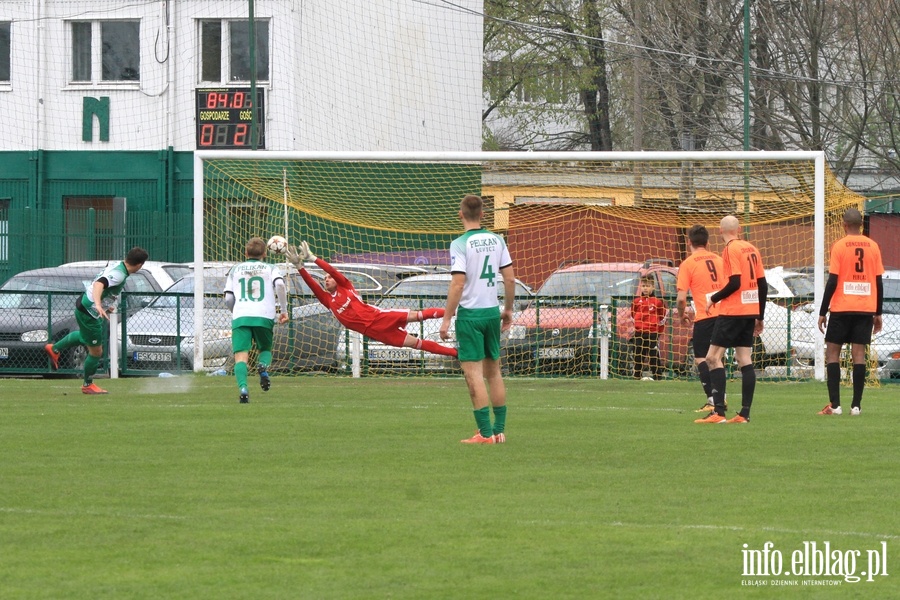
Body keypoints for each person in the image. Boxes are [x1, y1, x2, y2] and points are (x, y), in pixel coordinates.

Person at [284, 242, 457, 359]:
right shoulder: (328, 301)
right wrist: (300, 267)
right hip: (377, 333)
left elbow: (333, 270)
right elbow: (312, 285)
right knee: (416, 344)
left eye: (329, 278)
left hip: (380, 317)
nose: (326, 279)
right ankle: (457, 353)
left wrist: (313, 259)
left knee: (418, 315)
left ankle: (456, 311)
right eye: (324, 279)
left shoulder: (346, 286)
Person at [440, 194, 515, 445]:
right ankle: (499, 430)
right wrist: (508, 309)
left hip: (470, 316)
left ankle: (484, 434)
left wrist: (446, 319)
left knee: (473, 374)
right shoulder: (498, 240)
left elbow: (458, 283)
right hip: (492, 313)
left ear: (460, 214)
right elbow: (510, 279)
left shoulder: (460, 243)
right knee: (493, 372)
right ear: (483, 214)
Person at [44, 246, 149, 394]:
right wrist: (99, 305)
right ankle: (87, 385)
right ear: (139, 265)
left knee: (83, 337)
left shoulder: (118, 266)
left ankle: (54, 348)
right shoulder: (119, 274)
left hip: (84, 305)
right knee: (96, 351)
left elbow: (104, 286)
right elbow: (100, 283)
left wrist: (106, 304)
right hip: (90, 312)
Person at [695, 215, 767, 424]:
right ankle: (744, 413)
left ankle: (718, 412)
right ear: (740, 229)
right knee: (744, 359)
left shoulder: (730, 249)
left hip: (733, 311)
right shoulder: (752, 248)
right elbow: (763, 286)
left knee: (712, 358)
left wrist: (713, 299)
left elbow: (735, 282)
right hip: (750, 311)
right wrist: (759, 316)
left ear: (719, 231)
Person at [816, 207, 884, 416]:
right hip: (864, 308)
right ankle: (856, 406)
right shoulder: (873, 246)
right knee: (859, 355)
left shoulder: (839, 246)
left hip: (842, 307)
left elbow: (833, 280)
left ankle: (835, 405)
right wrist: (878, 312)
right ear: (861, 225)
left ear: (844, 225)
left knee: (833, 353)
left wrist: (822, 311)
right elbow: (878, 282)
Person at [224, 237, 289, 404]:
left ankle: (244, 389)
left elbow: (228, 298)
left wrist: (237, 311)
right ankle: (263, 367)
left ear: (246, 253)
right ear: (265, 253)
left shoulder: (235, 269)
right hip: (264, 315)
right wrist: (284, 311)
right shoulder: (271, 268)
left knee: (241, 357)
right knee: (265, 349)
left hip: (241, 316)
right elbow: (280, 285)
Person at [676, 225, 725, 413]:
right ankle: (722, 398)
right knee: (718, 358)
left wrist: (681, 316)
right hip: (724, 315)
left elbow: (681, 299)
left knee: (701, 358)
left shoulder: (688, 263)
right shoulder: (720, 260)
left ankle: (713, 400)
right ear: (708, 242)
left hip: (705, 316)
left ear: (689, 242)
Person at [631, 276, 667, 380]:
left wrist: (657, 331)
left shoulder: (658, 302)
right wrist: (638, 326)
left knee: (653, 356)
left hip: (652, 333)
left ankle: (657, 377)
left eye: (648, 286)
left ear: (653, 287)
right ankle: (637, 376)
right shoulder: (636, 301)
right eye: (643, 286)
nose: (645, 288)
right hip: (639, 333)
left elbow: (662, 317)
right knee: (638, 355)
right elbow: (633, 315)